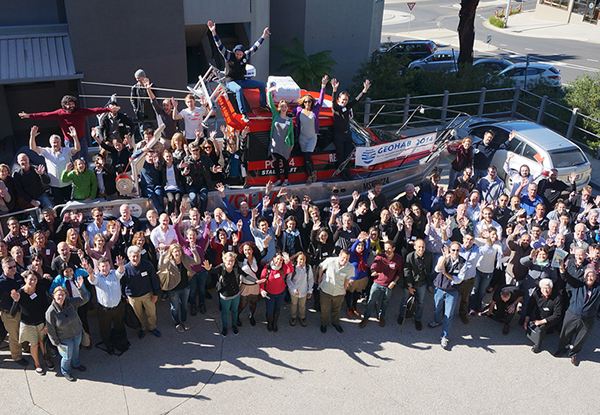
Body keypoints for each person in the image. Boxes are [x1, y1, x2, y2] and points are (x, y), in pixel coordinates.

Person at [208, 20, 270, 123]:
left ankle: (263, 105)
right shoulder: (229, 55)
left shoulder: (245, 56)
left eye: (240, 55)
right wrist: (213, 32)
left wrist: (263, 35)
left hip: (242, 80)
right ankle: (244, 113)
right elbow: (219, 46)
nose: (239, 56)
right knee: (238, 89)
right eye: (237, 54)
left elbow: (255, 47)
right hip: (230, 82)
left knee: (262, 85)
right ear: (235, 52)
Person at [20, 95, 113, 161]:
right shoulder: (60, 113)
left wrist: (109, 109)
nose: (71, 106)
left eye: (72, 104)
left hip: (81, 140)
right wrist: (29, 116)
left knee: (84, 159)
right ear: (64, 105)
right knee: (73, 161)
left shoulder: (81, 111)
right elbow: (45, 115)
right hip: (69, 141)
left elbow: (94, 110)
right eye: (68, 104)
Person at [45, 275, 89, 381]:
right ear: (53, 296)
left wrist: (80, 288)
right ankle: (66, 371)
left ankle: (76, 364)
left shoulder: (70, 303)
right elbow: (50, 329)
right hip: (64, 339)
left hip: (77, 333)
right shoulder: (50, 312)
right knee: (67, 357)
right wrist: (56, 342)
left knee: (76, 351)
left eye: (63, 295)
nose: (61, 297)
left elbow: (85, 299)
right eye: (58, 295)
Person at [9, 270, 53, 374]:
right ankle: (37, 363)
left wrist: (46, 324)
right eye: (30, 279)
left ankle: (46, 359)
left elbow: (46, 307)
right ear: (25, 280)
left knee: (43, 342)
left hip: (41, 322)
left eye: (35, 279)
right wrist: (16, 301)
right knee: (34, 345)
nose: (33, 282)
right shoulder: (19, 293)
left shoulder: (40, 290)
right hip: (28, 324)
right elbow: (12, 313)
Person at [555, 266, 600, 366]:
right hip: (572, 314)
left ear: (596, 277)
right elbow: (566, 277)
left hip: (588, 318)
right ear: (584, 277)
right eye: (587, 276)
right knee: (565, 333)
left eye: (592, 276)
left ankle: (573, 354)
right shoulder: (579, 284)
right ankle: (562, 349)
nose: (589, 278)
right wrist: (562, 268)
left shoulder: (598, 288)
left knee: (581, 337)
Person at [331, 78, 371, 181]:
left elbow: (356, 100)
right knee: (341, 156)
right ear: (339, 99)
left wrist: (364, 90)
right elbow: (333, 101)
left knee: (348, 155)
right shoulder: (336, 108)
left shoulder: (347, 107)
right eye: (343, 99)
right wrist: (334, 90)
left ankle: (347, 172)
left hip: (347, 135)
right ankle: (343, 174)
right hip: (338, 135)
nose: (344, 101)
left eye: (346, 100)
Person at [118, 245, 162, 339]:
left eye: (137, 256)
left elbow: (154, 279)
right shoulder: (125, 269)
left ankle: (152, 327)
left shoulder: (147, 265)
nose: (135, 258)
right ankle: (142, 328)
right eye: (133, 256)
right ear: (129, 257)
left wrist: (155, 293)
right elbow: (122, 284)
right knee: (138, 315)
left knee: (151, 313)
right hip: (133, 297)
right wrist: (124, 297)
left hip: (147, 295)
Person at [29, 125, 80, 205]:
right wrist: (32, 136)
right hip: (54, 185)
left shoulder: (66, 150)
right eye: (54, 143)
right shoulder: (46, 151)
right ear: (50, 143)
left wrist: (75, 137)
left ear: (60, 142)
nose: (56, 144)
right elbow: (33, 148)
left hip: (67, 183)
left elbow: (77, 149)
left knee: (71, 204)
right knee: (59, 205)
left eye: (57, 142)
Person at [428, 242, 466, 350]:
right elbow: (437, 269)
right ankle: (437, 321)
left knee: (448, 314)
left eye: (457, 250)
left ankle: (444, 336)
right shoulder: (443, 258)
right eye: (453, 250)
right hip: (440, 287)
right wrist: (444, 259)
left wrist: (446, 274)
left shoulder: (463, 262)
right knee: (437, 308)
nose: (455, 252)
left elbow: (459, 279)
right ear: (450, 249)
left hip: (452, 291)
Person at [292, 75, 328, 185]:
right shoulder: (299, 110)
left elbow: (321, 100)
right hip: (302, 137)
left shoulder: (315, 110)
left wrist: (323, 85)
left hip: (312, 137)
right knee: (305, 159)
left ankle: (313, 173)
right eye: (306, 101)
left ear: (312, 102)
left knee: (308, 156)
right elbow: (290, 112)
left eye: (310, 101)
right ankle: (310, 176)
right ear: (303, 102)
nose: (308, 103)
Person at [89, 256, 128, 355]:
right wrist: (90, 273)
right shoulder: (97, 277)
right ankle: (108, 346)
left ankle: (120, 343)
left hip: (117, 307)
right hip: (104, 310)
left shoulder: (114, 274)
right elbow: (92, 280)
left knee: (119, 326)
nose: (105, 268)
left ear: (110, 266)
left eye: (106, 265)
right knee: (105, 329)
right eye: (102, 266)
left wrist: (121, 266)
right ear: (99, 267)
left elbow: (120, 273)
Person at [157, 243, 200, 333]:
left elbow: (197, 262)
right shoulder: (168, 260)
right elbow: (160, 267)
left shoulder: (185, 258)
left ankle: (184, 321)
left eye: (179, 250)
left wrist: (194, 252)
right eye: (175, 251)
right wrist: (161, 256)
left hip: (185, 287)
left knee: (184, 306)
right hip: (173, 289)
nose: (178, 253)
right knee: (175, 308)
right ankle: (177, 323)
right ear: (171, 253)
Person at [359, 241, 403, 328]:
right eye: (385, 248)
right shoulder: (380, 257)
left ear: (394, 249)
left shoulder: (398, 259)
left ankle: (381, 316)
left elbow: (399, 272)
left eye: (389, 248)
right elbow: (374, 265)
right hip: (377, 283)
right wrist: (373, 271)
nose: (387, 250)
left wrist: (394, 282)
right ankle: (366, 317)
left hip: (389, 284)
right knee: (371, 300)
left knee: (385, 301)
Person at [205, 252, 245, 337]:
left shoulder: (236, 268)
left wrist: (255, 281)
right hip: (225, 296)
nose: (231, 263)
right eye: (229, 260)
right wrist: (209, 269)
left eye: (233, 261)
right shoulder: (221, 268)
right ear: (224, 260)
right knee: (225, 312)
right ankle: (225, 327)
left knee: (235, 310)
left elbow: (245, 275)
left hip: (236, 294)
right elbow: (214, 270)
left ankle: (234, 325)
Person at [398, 239, 432, 330]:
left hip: (422, 283)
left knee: (421, 302)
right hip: (410, 283)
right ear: (414, 247)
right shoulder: (409, 256)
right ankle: (401, 315)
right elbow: (407, 272)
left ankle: (417, 319)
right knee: (405, 300)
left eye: (423, 247)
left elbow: (430, 270)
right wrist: (409, 286)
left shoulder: (428, 256)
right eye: (419, 247)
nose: (421, 249)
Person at [318, 250, 354, 333]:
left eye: (347, 259)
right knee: (325, 309)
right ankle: (324, 323)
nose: (345, 260)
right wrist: (319, 278)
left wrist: (344, 289)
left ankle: (335, 322)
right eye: (344, 258)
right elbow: (321, 267)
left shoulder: (350, 267)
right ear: (339, 255)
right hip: (326, 289)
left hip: (339, 291)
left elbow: (347, 279)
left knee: (336, 309)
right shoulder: (330, 260)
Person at [0, 257, 28, 366]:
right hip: (10, 314)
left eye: (14, 266)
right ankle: (17, 356)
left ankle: (25, 348)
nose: (13, 269)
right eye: (10, 267)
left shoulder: (18, 277)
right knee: (14, 337)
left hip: (22, 310)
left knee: (24, 332)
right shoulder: (1, 282)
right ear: (3, 268)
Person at [524, 278, 563, 354]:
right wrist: (527, 318)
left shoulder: (557, 298)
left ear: (551, 288)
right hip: (539, 316)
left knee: (542, 328)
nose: (545, 290)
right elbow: (530, 305)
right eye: (543, 288)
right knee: (532, 324)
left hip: (552, 318)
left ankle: (537, 345)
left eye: (548, 288)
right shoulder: (537, 293)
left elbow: (557, 315)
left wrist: (541, 322)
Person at [236, 240, 268, 327]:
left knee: (253, 303)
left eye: (249, 249)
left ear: (252, 250)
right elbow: (243, 274)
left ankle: (251, 316)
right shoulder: (241, 259)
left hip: (255, 286)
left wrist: (265, 245)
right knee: (243, 304)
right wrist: (235, 243)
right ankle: (236, 317)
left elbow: (264, 253)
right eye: (245, 250)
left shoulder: (256, 257)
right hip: (245, 286)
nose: (247, 251)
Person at [260, 252, 293, 333]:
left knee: (277, 308)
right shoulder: (267, 268)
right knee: (269, 310)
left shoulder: (283, 267)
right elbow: (262, 280)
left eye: (281, 260)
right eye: (277, 259)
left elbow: (291, 270)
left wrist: (287, 260)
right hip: (270, 294)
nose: (279, 261)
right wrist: (262, 290)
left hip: (281, 293)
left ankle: (275, 323)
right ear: (274, 258)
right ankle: (269, 323)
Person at [267, 88, 294, 186]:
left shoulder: (289, 120)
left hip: (285, 144)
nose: (283, 108)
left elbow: (291, 134)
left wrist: (292, 144)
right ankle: (278, 180)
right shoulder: (275, 115)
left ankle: (286, 180)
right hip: (275, 143)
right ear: (279, 108)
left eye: (285, 106)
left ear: (287, 108)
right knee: (276, 162)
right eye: (282, 106)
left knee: (285, 163)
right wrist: (270, 92)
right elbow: (270, 102)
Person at [143, 78, 179, 145]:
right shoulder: (160, 112)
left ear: (171, 106)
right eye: (164, 105)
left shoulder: (175, 113)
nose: (165, 107)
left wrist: (175, 107)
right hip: (164, 140)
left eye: (167, 105)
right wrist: (148, 89)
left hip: (174, 140)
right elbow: (153, 100)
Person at [286, 252, 314, 327]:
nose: (302, 261)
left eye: (304, 259)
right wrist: (293, 289)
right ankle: (293, 317)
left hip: (304, 290)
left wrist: (310, 290)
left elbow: (310, 279)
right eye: (300, 259)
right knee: (294, 304)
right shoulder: (293, 267)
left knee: (302, 305)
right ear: (297, 259)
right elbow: (288, 280)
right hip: (294, 291)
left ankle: (302, 317)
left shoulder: (308, 268)